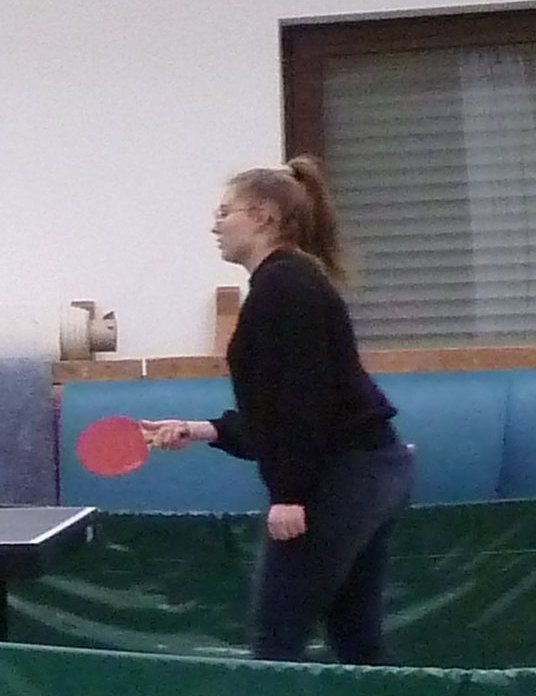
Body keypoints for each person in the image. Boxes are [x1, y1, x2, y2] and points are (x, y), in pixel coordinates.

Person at [133, 160, 409, 663]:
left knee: (278, 639)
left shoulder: (285, 287)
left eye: (225, 213)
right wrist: (199, 429)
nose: (215, 226)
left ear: (263, 216)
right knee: (356, 639)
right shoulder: (286, 283)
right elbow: (277, 407)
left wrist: (289, 494)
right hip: (373, 469)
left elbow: (305, 401)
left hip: (345, 478)